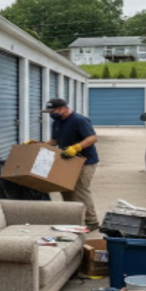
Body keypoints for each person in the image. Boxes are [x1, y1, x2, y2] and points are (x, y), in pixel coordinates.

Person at [42, 98, 101, 231]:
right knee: (66, 189)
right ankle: (73, 218)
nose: (51, 114)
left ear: (63, 108)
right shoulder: (57, 122)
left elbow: (93, 138)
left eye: (53, 111)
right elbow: (54, 140)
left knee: (80, 190)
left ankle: (91, 221)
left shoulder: (79, 120)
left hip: (85, 161)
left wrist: (76, 147)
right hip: (68, 161)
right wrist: (38, 144)